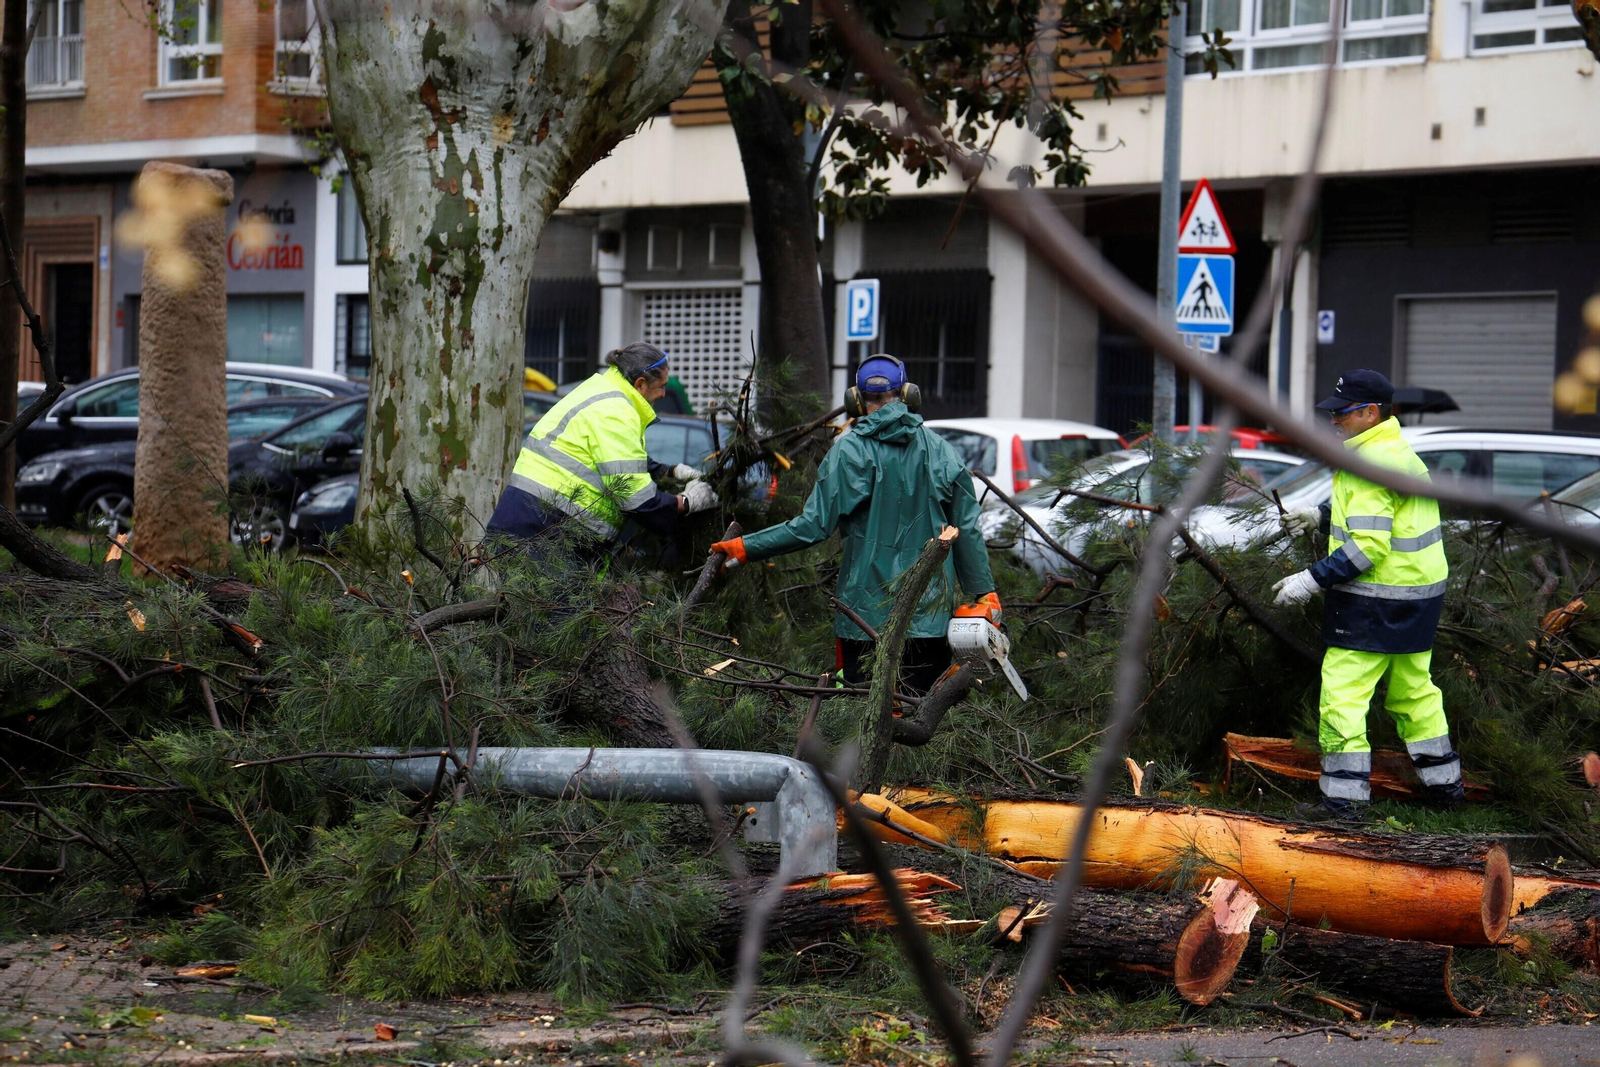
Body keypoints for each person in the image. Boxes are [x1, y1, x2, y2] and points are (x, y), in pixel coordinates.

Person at [707, 354, 999, 695]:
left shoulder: (849, 452)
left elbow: (811, 527)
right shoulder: (942, 452)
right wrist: (984, 590)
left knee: (859, 715)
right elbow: (968, 528)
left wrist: (745, 547)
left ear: (856, 401)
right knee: (922, 718)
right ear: (908, 394)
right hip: (929, 620)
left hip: (863, 619)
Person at [1272, 369, 1463, 819]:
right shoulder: (1394, 451)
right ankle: (1445, 791)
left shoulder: (1369, 463)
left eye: (1341, 412)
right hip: (1418, 596)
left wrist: (1310, 580)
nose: (1333, 420)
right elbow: (1381, 516)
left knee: (1342, 695)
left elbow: (1367, 548)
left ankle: (1343, 802)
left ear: (1370, 412)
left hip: (1375, 600)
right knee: (1414, 692)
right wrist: (1318, 516)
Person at [487, 342, 719, 555]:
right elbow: (640, 502)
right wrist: (687, 502)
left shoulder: (601, 389)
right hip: (545, 533)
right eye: (661, 386)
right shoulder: (617, 411)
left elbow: (608, 456)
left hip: (530, 523)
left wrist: (670, 471)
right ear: (640, 384)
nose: (663, 394)